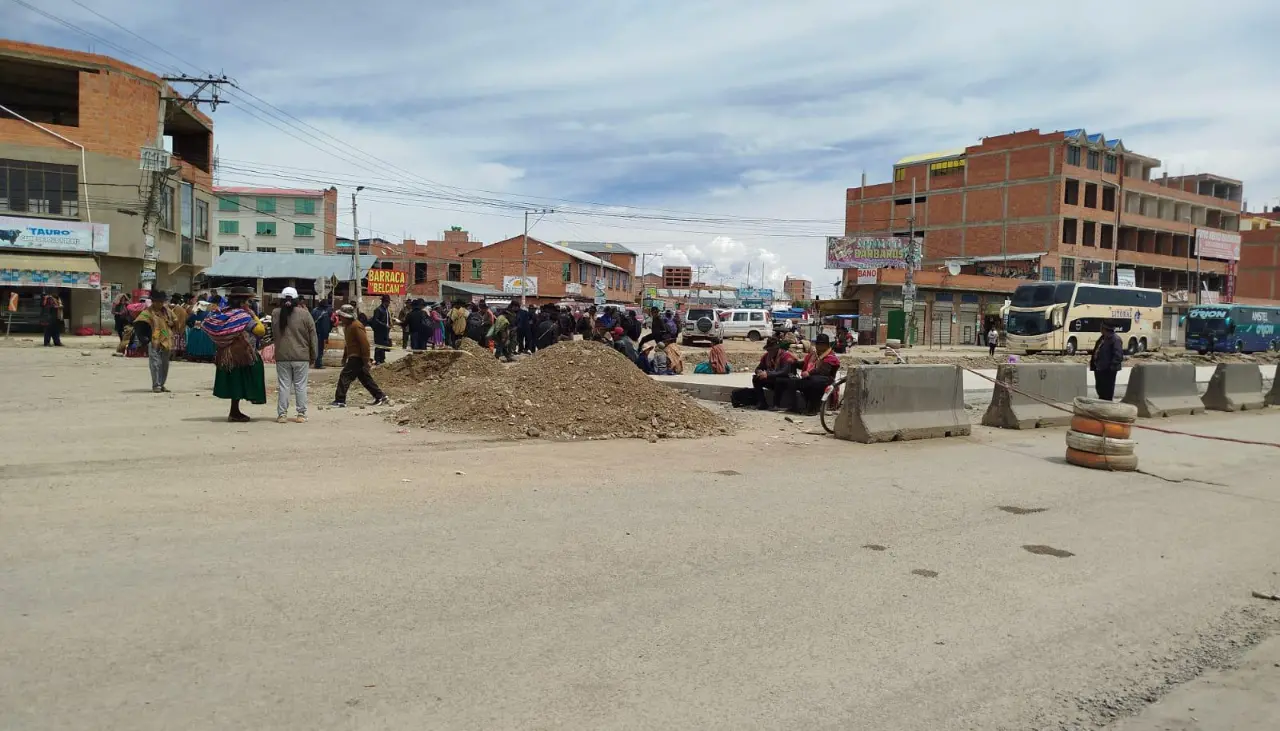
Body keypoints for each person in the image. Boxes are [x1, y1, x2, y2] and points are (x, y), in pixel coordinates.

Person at [204, 287, 268, 422]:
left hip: (226, 354)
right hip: (241, 354)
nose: (250, 304)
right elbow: (260, 330)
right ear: (242, 302)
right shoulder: (243, 316)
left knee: (234, 381)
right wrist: (253, 314)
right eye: (248, 301)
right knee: (249, 374)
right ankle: (235, 411)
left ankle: (235, 410)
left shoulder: (224, 313)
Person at [271, 286, 317, 423]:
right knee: (300, 386)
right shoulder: (305, 314)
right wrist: (314, 355)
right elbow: (313, 336)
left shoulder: (275, 313)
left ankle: (282, 415)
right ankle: (301, 414)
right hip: (301, 356)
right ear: (297, 300)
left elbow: (274, 333)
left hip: (282, 355)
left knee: (284, 386)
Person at [331, 304, 389, 407]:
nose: (340, 318)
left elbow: (364, 344)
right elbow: (348, 344)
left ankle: (340, 400)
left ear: (346, 316)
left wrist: (366, 360)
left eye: (342, 316)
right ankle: (380, 396)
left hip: (357, 356)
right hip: (353, 356)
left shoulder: (356, 325)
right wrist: (344, 357)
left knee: (345, 376)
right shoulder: (347, 327)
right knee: (365, 378)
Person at [779, 333, 841, 413]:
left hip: (825, 380)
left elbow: (823, 371)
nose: (817, 346)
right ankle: (793, 407)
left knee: (814, 381)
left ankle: (814, 408)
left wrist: (809, 373)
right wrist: (794, 362)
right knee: (792, 382)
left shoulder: (831, 357)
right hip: (811, 378)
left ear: (825, 345)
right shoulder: (813, 355)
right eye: (817, 344)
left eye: (820, 344)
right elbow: (804, 364)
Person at [132, 291, 178, 392]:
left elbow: (175, 321)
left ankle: (161, 384)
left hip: (166, 338)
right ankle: (156, 385)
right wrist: (145, 339)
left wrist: (172, 323)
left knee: (164, 364)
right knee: (155, 363)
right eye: (158, 302)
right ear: (153, 302)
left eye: (162, 302)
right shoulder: (147, 312)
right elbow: (138, 325)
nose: (160, 304)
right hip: (154, 339)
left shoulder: (167, 311)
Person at [751, 337, 798, 409]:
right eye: (768, 350)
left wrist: (768, 374)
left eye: (771, 350)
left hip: (786, 380)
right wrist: (759, 372)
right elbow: (759, 367)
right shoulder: (766, 356)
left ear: (776, 349)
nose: (769, 351)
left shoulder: (785, 356)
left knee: (779, 380)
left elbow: (784, 371)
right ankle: (762, 403)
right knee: (756, 378)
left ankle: (776, 404)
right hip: (772, 379)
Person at [1090, 321, 1124, 401]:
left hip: (1108, 370)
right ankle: (1101, 402)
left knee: (1107, 391)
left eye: (1101, 327)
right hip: (1099, 368)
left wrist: (1111, 367)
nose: (1100, 328)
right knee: (1100, 389)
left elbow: (1118, 355)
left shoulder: (1115, 339)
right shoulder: (1102, 338)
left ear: (1105, 328)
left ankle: (1107, 405)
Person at [369, 294, 392, 364]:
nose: (389, 304)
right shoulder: (378, 310)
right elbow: (375, 320)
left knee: (383, 345)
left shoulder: (386, 310)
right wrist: (384, 325)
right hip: (379, 331)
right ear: (385, 302)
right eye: (388, 302)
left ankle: (382, 359)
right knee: (379, 345)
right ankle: (377, 359)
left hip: (385, 331)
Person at [311, 299, 333, 368]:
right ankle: (318, 364)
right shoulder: (325, 314)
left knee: (313, 348)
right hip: (320, 334)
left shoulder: (313, 311)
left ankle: (312, 362)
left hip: (312, 333)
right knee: (320, 349)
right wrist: (326, 337)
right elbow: (325, 327)